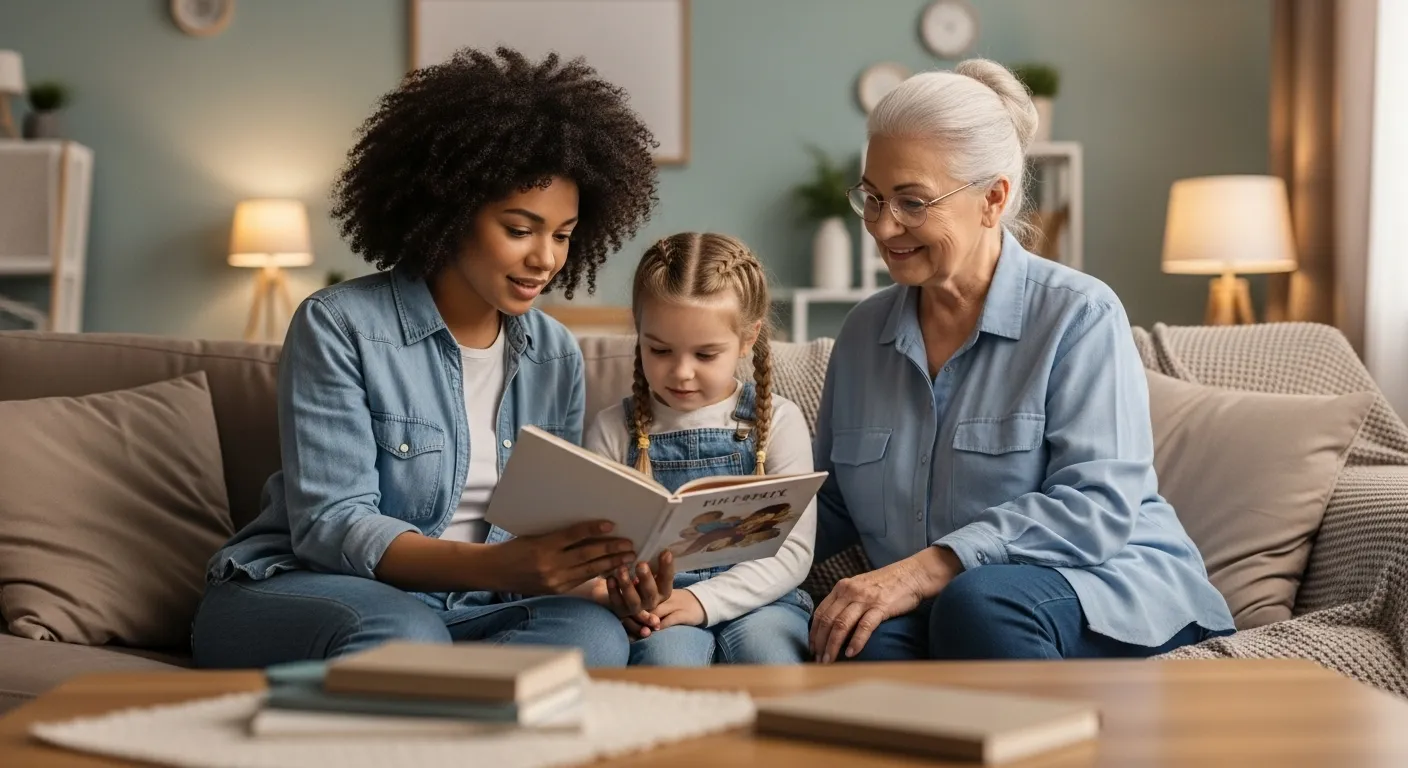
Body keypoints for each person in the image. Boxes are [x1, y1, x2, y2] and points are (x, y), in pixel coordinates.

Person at [191, 47, 660, 669]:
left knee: (593, 638)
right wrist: (502, 565)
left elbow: (537, 535)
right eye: (519, 229)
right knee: (407, 635)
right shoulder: (339, 325)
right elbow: (332, 525)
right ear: (451, 210)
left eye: (563, 234)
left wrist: (604, 579)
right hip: (305, 589)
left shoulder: (554, 354)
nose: (546, 258)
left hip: (468, 605)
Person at [808, 59, 1235, 664]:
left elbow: (1098, 506)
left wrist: (929, 568)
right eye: (872, 198)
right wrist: (702, 553)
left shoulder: (1079, 316)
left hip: (1109, 588)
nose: (883, 225)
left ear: (994, 199)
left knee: (979, 604)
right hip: (949, 605)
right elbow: (832, 506)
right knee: (857, 640)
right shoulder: (862, 336)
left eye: (911, 201)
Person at [583, 232, 817, 666]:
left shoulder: (779, 422)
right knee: (666, 663)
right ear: (639, 333)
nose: (682, 372)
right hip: (658, 607)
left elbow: (794, 551)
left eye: (706, 355)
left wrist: (703, 599)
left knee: (768, 656)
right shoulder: (612, 428)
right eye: (660, 350)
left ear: (748, 339)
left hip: (764, 600)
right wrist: (626, 599)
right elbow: (595, 553)